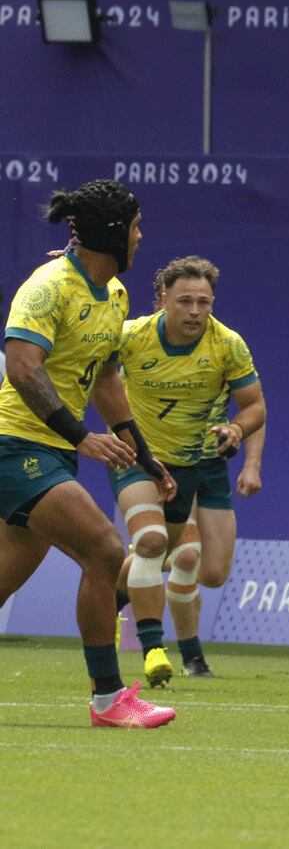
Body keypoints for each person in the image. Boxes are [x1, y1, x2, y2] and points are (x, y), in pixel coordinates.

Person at [0, 179, 176, 728]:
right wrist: (82, 437)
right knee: (104, 551)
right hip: (13, 445)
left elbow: (103, 378)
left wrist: (141, 450)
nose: (141, 236)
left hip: (51, 450)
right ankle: (108, 698)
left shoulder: (116, 295)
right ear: (110, 233)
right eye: (135, 226)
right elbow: (22, 366)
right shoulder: (48, 286)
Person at [112, 256, 266, 683]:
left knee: (210, 571)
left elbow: (255, 407)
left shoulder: (227, 344)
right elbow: (93, 373)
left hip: (205, 465)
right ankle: (168, 652)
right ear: (162, 299)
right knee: (154, 543)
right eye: (185, 301)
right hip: (142, 459)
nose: (195, 311)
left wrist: (238, 436)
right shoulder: (130, 337)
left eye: (204, 302)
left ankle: (111, 589)